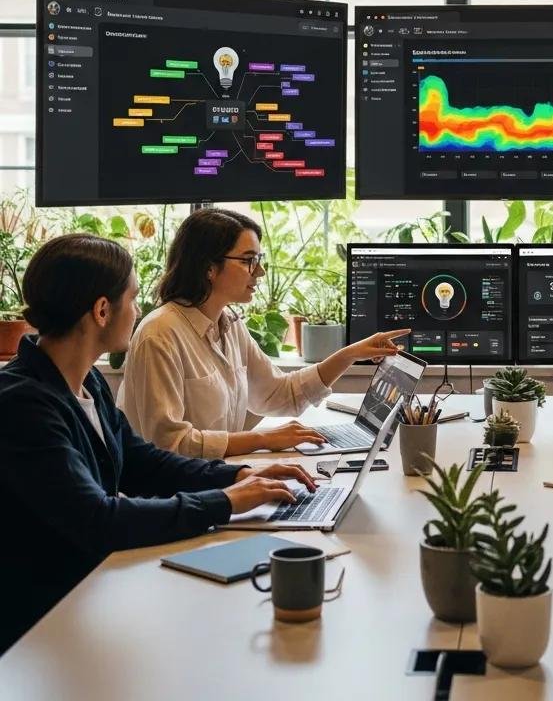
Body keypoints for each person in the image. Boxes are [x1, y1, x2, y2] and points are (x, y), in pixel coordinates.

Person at [0, 234, 318, 655]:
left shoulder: (86, 381)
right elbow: (97, 519)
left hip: (89, 590)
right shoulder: (24, 404)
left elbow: (140, 462)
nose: (138, 311)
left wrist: (240, 475)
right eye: (132, 299)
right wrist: (225, 501)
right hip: (43, 625)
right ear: (101, 310)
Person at [120, 208, 409, 458]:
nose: (259, 272)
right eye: (248, 260)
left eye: (259, 259)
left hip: (215, 483)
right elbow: (169, 445)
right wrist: (261, 440)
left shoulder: (230, 324)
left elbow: (279, 394)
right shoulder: (159, 335)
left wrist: (351, 354)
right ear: (209, 268)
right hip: (172, 501)